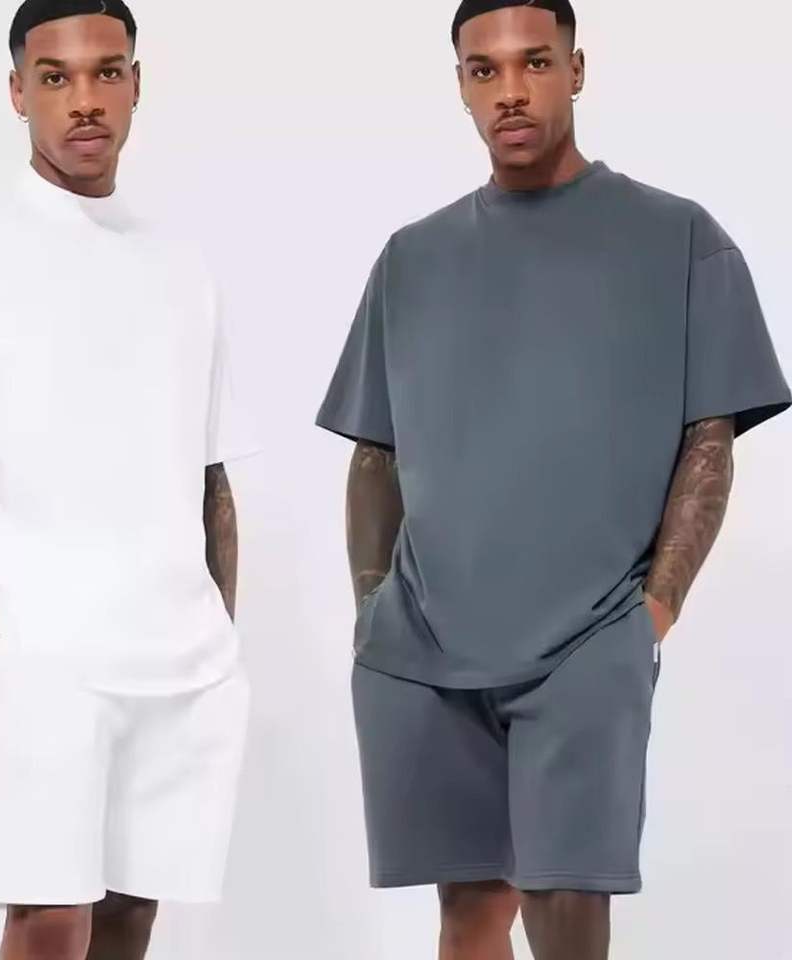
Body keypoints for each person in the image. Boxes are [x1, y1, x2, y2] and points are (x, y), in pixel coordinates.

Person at [315, 1, 791, 958]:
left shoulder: (678, 238)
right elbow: (375, 452)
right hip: (426, 645)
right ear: (460, 86)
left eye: (534, 62)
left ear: (576, 70)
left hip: (588, 638)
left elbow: (710, 438)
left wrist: (652, 612)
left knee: (568, 908)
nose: (511, 90)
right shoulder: (414, 257)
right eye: (484, 70)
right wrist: (374, 609)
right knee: (468, 913)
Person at [0, 1, 258, 958]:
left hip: (186, 658)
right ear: (17, 92)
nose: (84, 100)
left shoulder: (180, 261)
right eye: (55, 78)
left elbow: (209, 471)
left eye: (107, 73)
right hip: (51, 652)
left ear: (137, 85)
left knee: (131, 916)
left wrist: (223, 635)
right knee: (50, 918)